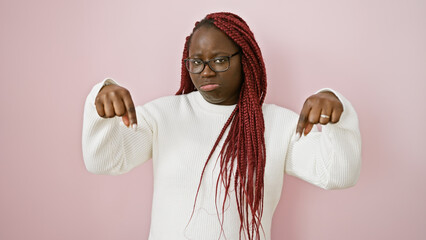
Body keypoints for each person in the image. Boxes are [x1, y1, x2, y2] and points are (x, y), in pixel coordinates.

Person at [82, 12, 361, 240]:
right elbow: (103, 162)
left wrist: (338, 113)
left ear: (246, 60)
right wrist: (100, 101)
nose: (206, 71)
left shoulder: (278, 124)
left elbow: (336, 175)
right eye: (196, 62)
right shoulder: (163, 115)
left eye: (219, 60)